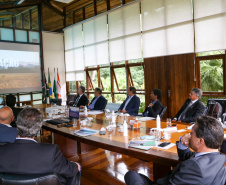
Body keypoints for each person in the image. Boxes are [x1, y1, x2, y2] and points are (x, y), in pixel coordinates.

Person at [124, 116, 226, 185]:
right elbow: (189, 156)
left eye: (191, 133)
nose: (188, 135)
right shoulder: (218, 157)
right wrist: (182, 142)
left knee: (131, 175)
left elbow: (194, 166)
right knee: (139, 176)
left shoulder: (195, 167)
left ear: (200, 141)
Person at [0, 108, 81, 185]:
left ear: (17, 126)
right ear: (38, 129)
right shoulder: (50, 152)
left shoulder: (2, 151)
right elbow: (70, 170)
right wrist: (76, 166)